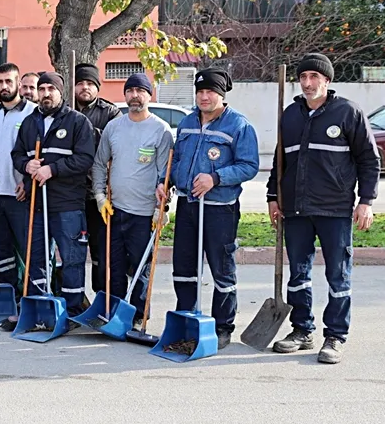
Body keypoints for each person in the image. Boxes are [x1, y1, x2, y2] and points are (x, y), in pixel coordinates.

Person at [267, 53, 379, 364]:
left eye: (314, 77)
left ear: (327, 81)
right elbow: (281, 163)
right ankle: (302, 330)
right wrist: (272, 198)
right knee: (298, 275)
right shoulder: (290, 115)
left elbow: (369, 161)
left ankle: (335, 336)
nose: (307, 83)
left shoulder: (348, 112)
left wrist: (366, 201)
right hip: (297, 209)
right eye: (303, 78)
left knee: (337, 275)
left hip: (335, 209)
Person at [156, 68, 259, 350]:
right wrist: (166, 183)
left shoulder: (239, 125)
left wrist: (216, 178)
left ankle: (222, 326)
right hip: (188, 205)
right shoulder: (188, 122)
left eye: (210, 92)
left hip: (219, 209)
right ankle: (187, 319)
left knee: (221, 268)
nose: (204, 97)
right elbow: (176, 162)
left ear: (221, 95)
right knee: (185, 267)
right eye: (200, 92)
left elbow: (249, 165)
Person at [92, 73, 173, 329]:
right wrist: (99, 196)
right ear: (125, 95)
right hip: (114, 212)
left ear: (150, 95)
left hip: (143, 214)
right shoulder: (114, 127)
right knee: (112, 266)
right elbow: (98, 164)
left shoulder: (161, 130)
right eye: (130, 90)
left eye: (141, 90)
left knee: (140, 269)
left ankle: (138, 316)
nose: (135, 95)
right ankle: (114, 311)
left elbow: (166, 175)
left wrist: (162, 208)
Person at [12, 72, 96, 319]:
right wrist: (26, 166)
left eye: (51, 88)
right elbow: (16, 154)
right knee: (36, 256)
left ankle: (72, 309)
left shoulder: (77, 122)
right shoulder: (29, 123)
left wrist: (53, 169)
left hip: (67, 204)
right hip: (36, 203)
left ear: (61, 92)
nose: (46, 93)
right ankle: (39, 304)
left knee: (71, 257)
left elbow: (84, 159)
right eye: (42, 88)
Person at [0, 63, 46, 320]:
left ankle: (33, 298)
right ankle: (6, 296)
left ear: (18, 83)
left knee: (30, 251)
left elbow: (39, 155)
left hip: (22, 196)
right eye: (0, 81)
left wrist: (27, 183)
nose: (4, 86)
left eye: (9, 81)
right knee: (1, 249)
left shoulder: (32, 114)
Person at [73, 62, 121, 295]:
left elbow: (115, 144)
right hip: (69, 193)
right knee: (71, 249)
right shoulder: (66, 109)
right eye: (80, 83)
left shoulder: (110, 112)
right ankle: (74, 297)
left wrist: (86, 129)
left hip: (98, 193)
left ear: (98, 87)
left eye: (90, 84)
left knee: (101, 250)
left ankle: (102, 297)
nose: (85, 88)